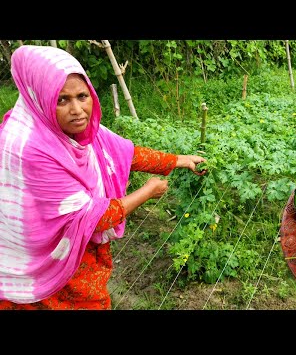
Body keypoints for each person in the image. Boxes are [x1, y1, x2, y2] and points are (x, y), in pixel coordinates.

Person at [0, 45, 207, 310]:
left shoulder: (80, 132)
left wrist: (178, 160)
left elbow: (125, 153)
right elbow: (92, 217)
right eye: (62, 99)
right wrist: (147, 192)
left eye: (82, 96)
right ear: (39, 96)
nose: (77, 109)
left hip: (80, 257)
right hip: (48, 263)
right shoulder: (30, 149)